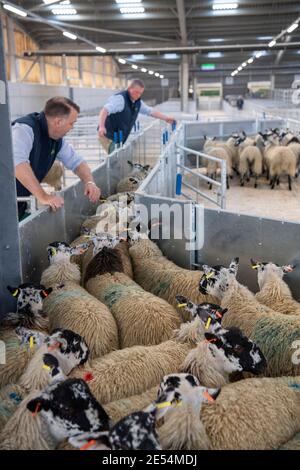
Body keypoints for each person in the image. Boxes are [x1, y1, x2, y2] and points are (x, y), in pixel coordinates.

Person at [12, 97, 101, 220]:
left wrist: (89, 182)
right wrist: (43, 196)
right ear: (58, 122)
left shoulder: (56, 139)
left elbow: (77, 162)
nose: (72, 128)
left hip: (17, 201)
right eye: (72, 123)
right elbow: (17, 163)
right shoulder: (24, 129)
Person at [98, 79, 176, 154]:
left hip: (119, 135)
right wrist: (102, 126)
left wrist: (166, 118)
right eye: (136, 92)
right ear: (129, 88)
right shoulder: (120, 99)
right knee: (115, 157)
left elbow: (150, 111)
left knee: (118, 155)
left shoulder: (137, 102)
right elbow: (105, 110)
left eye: (140, 93)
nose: (138, 95)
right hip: (108, 134)